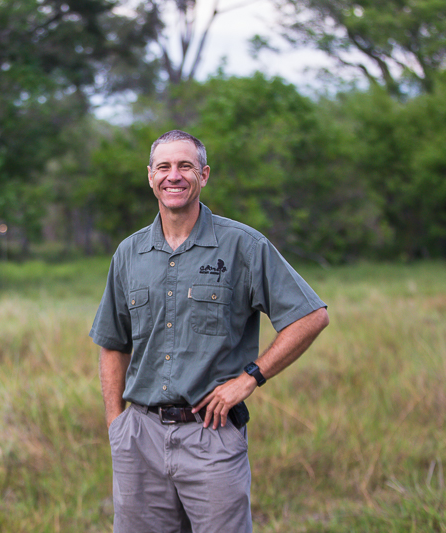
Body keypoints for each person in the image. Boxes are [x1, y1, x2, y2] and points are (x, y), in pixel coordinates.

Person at [89, 130, 329, 533]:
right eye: (163, 167)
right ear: (150, 176)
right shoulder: (129, 253)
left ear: (204, 174)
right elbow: (113, 344)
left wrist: (249, 378)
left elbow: (311, 316)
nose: (174, 176)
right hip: (140, 438)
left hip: (211, 437)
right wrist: (117, 425)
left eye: (185, 166)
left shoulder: (243, 246)